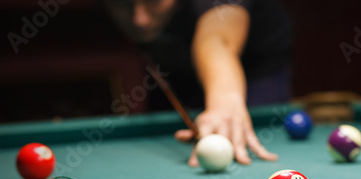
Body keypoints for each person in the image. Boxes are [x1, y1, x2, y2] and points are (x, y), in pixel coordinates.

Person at [104, 0, 292, 167]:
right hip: (176, 67)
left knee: (237, 130)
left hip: (255, 67)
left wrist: (224, 99)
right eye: (122, 3)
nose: (140, 19)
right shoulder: (148, 18)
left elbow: (217, 40)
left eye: (153, 1)